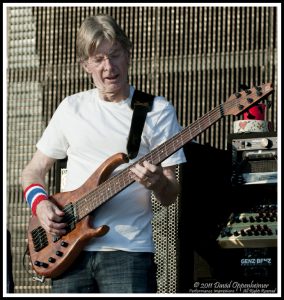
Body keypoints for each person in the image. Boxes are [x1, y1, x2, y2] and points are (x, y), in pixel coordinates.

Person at [21, 14, 186, 293]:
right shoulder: (71, 108)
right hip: (67, 250)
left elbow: (171, 193)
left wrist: (157, 182)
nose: (108, 67)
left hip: (128, 251)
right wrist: (40, 204)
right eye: (98, 59)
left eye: (114, 55)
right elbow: (32, 171)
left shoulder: (156, 110)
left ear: (128, 55)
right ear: (85, 65)